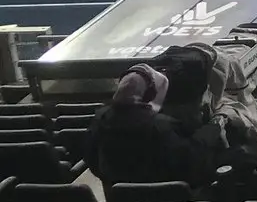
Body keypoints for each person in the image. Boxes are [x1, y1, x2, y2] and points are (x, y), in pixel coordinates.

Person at [83, 63, 224, 187]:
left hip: (122, 198)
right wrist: (214, 127)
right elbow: (190, 161)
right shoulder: (161, 126)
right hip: (171, 198)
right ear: (150, 95)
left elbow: (91, 158)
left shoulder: (100, 119)